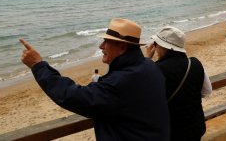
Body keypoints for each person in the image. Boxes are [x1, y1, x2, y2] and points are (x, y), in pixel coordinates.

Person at [20, 18, 170, 141]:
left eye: (106, 42)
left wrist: (38, 66)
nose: (101, 46)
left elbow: (71, 96)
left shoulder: (120, 82)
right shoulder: (149, 66)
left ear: (123, 48)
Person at [146, 26, 212, 141]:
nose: (155, 48)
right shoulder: (194, 63)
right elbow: (207, 91)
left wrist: (147, 60)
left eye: (156, 44)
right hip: (195, 129)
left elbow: (143, 99)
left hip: (171, 133)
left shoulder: (155, 70)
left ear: (163, 47)